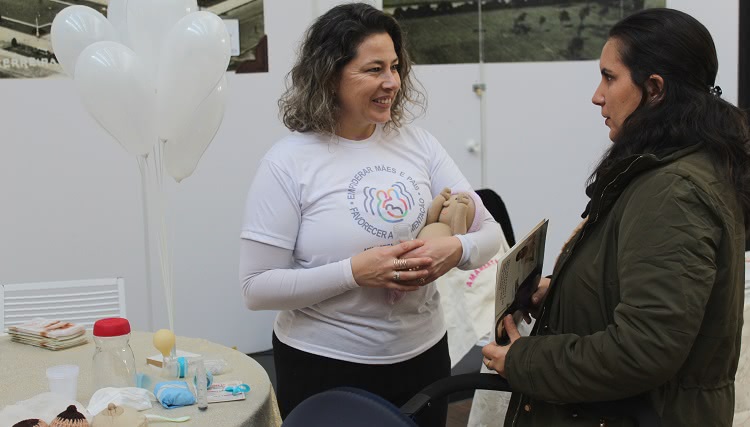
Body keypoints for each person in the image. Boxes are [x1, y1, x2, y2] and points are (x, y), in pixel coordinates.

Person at [482, 8, 750, 426]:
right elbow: (642, 293)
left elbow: (645, 347)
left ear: (655, 88)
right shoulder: (677, 166)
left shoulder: (673, 191)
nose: (597, 95)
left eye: (610, 77)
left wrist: (525, 359)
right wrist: (563, 293)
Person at [238, 3, 503, 426]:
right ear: (330, 75)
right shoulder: (288, 162)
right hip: (325, 366)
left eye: (395, 67)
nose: (392, 83)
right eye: (374, 69)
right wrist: (354, 272)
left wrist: (454, 250)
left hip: (423, 359)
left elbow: (490, 232)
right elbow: (256, 288)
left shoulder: (418, 143)